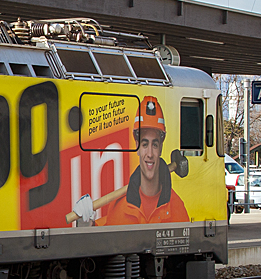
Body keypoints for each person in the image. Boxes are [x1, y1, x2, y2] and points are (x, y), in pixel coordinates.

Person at [75, 95, 189, 226]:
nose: (150, 154)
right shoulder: (119, 207)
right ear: (137, 147)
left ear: (161, 148)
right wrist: (85, 225)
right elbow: (104, 242)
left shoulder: (176, 207)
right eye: (145, 145)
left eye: (155, 145)